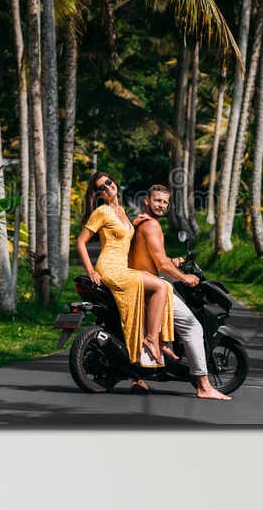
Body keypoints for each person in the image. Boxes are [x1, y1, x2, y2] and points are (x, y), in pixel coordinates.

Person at [131, 183, 231, 401]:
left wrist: (174, 262)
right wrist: (185, 277)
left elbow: (152, 259)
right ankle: (204, 386)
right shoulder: (152, 226)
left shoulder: (138, 223)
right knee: (192, 327)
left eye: (166, 202)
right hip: (150, 287)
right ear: (146, 200)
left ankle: (137, 376)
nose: (162, 205)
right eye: (158, 200)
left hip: (138, 282)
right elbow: (161, 264)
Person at [74, 172, 171, 381]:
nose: (107, 188)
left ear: (115, 183)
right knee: (161, 287)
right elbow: (81, 242)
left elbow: (123, 238)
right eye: (101, 188)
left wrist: (135, 224)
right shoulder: (102, 211)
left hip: (123, 268)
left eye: (108, 183)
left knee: (160, 288)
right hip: (110, 268)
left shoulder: (122, 212)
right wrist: (91, 270)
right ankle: (152, 340)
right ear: (98, 194)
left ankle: (159, 344)